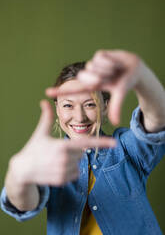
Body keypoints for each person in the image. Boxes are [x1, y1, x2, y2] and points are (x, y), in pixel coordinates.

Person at [1, 50, 165, 235]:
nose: (79, 117)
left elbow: (157, 121)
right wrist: (18, 174)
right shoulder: (50, 162)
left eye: (90, 104)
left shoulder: (126, 148)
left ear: (105, 106)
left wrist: (142, 77)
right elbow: (23, 203)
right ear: (57, 109)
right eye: (68, 105)